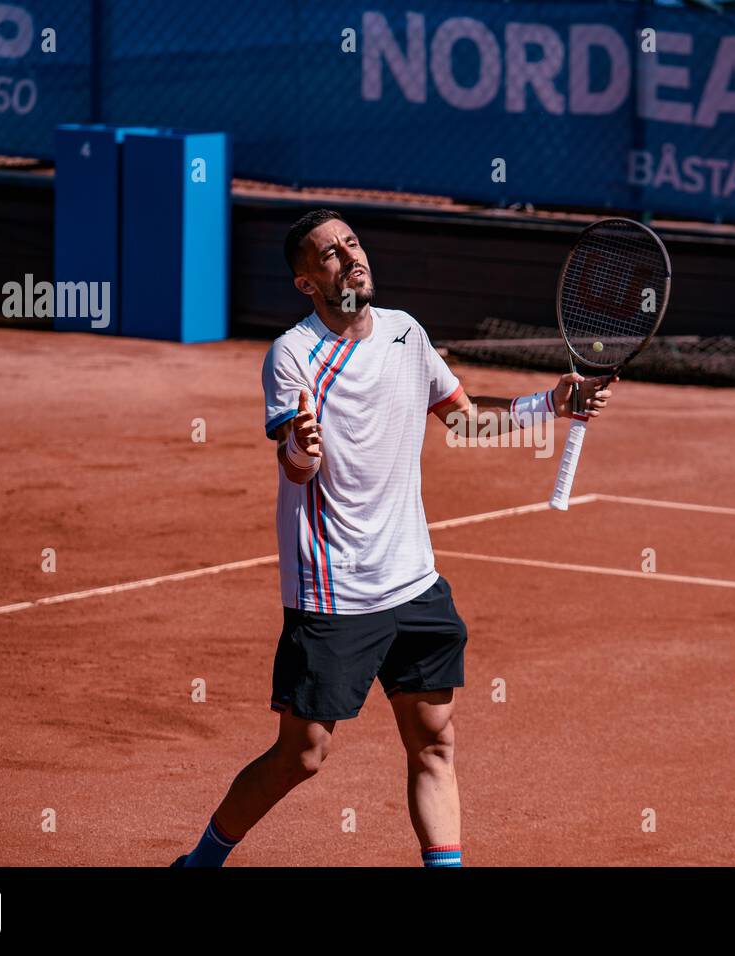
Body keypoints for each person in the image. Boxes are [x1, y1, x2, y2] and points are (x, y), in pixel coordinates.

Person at [174, 209, 613, 868]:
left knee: (435, 740)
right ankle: (201, 862)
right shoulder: (294, 353)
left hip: (414, 581)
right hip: (335, 590)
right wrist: (301, 447)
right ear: (306, 283)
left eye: (351, 243)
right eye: (328, 254)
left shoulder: (408, 333)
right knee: (304, 754)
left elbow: (463, 425)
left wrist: (551, 403)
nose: (348, 257)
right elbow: (294, 463)